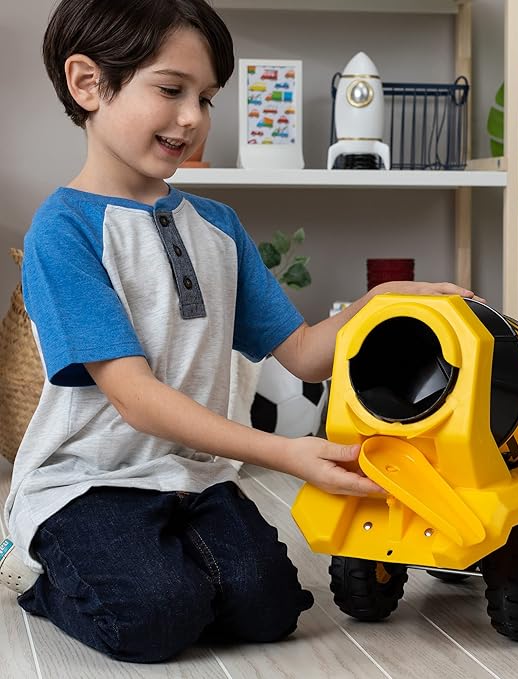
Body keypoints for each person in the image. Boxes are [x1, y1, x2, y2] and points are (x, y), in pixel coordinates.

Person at [5, 0, 483, 664]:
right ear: (88, 83)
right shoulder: (63, 230)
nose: (193, 117)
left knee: (270, 609)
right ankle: (36, 570)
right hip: (88, 482)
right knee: (154, 619)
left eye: (206, 98)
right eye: (171, 90)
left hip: (190, 475)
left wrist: (376, 303)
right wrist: (285, 453)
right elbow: (135, 398)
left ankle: (159, 559)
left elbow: (305, 356)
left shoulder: (218, 228)